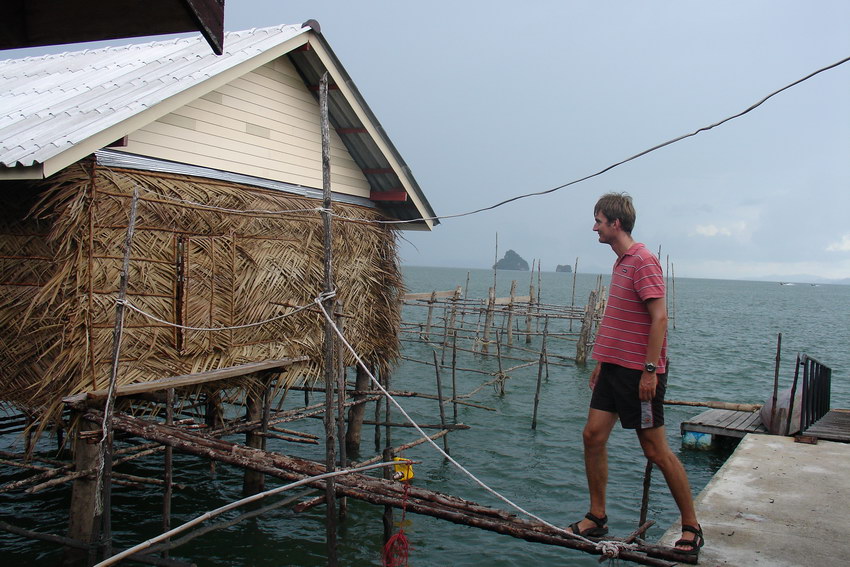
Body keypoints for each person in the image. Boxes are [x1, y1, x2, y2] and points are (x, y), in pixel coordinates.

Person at [566, 192, 704, 557]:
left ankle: (691, 526)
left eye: (598, 220)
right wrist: (600, 361)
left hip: (638, 372)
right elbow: (622, 320)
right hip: (612, 367)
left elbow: (659, 318)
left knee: (655, 450)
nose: (594, 227)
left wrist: (649, 371)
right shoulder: (620, 262)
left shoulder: (643, 260)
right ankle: (597, 516)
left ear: (615, 223)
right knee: (592, 435)